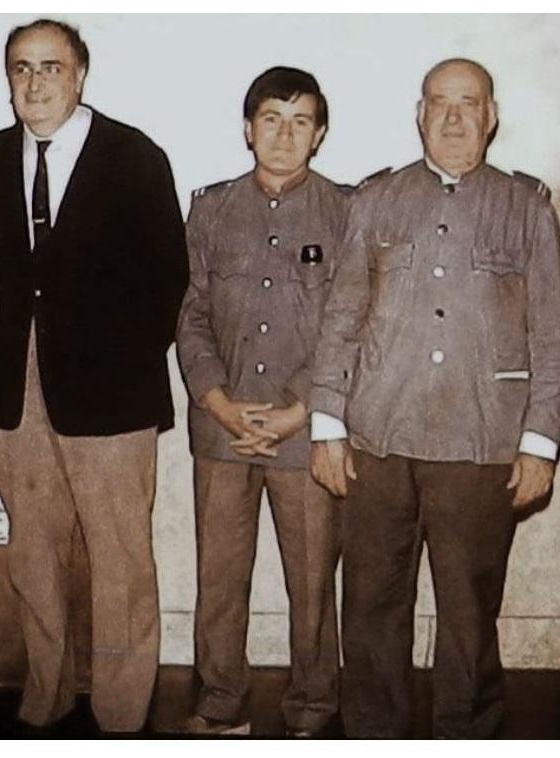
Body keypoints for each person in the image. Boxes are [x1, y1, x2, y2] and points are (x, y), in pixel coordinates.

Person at [309, 58, 560, 738]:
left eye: (469, 103)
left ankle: (468, 735)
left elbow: (551, 337)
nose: (454, 118)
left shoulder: (526, 208)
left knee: (468, 612)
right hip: (377, 442)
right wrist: (327, 425)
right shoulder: (375, 201)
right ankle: (375, 735)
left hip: (480, 445)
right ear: (419, 114)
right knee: (371, 604)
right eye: (440, 103)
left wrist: (540, 446)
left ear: (491, 116)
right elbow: (342, 320)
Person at [0, 19, 188, 733]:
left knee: (121, 560)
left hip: (112, 395)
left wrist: (121, 359)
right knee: (32, 555)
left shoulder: (134, 156)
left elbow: (169, 279)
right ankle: (47, 698)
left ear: (81, 74)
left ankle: (121, 717)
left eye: (51, 67)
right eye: (21, 68)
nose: (34, 83)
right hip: (19, 388)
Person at [175, 66, 345, 737]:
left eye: (300, 121)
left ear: (319, 134)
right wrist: (218, 402)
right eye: (271, 119)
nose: (284, 134)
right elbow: (191, 314)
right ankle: (220, 701)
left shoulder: (347, 211)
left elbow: (348, 324)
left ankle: (313, 708)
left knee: (312, 582)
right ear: (248, 129)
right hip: (223, 428)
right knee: (219, 579)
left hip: (305, 431)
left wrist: (299, 409)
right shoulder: (211, 209)